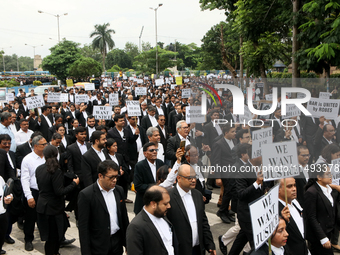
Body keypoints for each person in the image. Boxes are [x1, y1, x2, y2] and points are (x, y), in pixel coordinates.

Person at [78, 160, 129, 255]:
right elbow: (83, 227)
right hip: (98, 245)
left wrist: (127, 243)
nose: (114, 180)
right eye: (111, 177)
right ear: (100, 176)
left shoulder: (119, 190)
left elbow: (124, 218)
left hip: (116, 242)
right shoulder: (86, 195)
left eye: (116, 176)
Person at [35, 145, 79, 255]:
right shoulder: (56, 171)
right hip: (52, 209)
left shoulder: (39, 169)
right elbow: (59, 191)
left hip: (43, 206)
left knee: (52, 238)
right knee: (53, 238)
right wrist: (74, 184)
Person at [166, 164, 216, 255]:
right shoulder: (168, 197)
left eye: (194, 177)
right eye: (189, 178)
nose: (193, 180)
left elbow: (203, 221)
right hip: (179, 250)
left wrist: (210, 244)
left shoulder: (197, 195)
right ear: (179, 178)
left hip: (198, 249)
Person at [126, 185, 177, 255]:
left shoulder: (163, 216)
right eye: (165, 204)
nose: (169, 206)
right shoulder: (136, 227)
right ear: (153, 204)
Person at [304, 163, 338, 255]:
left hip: (329, 232)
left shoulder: (329, 189)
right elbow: (311, 217)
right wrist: (322, 238)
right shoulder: (311, 192)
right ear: (319, 177)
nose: (331, 176)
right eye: (327, 174)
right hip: (318, 237)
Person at [20, 135, 47, 251]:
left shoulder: (48, 157)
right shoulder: (28, 159)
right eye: (43, 144)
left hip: (46, 192)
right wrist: (29, 196)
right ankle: (28, 240)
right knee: (30, 218)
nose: (46, 146)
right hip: (34, 192)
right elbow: (25, 179)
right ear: (36, 146)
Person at [278, 178, 309, 255]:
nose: (294, 189)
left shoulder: (295, 202)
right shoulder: (276, 209)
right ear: (278, 189)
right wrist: (285, 221)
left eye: (294, 185)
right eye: (289, 186)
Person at [134, 142, 165, 214]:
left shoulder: (160, 163)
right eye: (151, 150)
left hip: (158, 202)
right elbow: (138, 186)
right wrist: (154, 186)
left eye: (156, 150)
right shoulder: (140, 166)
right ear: (145, 153)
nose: (154, 152)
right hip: (144, 202)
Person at [0, 175, 13, 255]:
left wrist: (10, 197)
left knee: (1, 235)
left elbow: (7, 191)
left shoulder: (0, 178)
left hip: (2, 212)